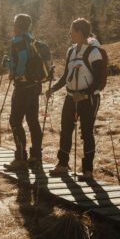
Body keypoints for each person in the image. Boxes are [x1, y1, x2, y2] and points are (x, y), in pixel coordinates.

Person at [46, 18, 105, 179]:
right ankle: (62, 164)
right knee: (65, 131)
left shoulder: (94, 52)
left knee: (86, 133)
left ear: (80, 32)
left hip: (89, 99)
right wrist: (53, 89)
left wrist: (85, 93)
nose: (69, 33)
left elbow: (99, 80)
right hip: (70, 97)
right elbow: (66, 75)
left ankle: (87, 171)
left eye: (71, 31)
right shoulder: (71, 51)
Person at [5, 13, 45, 171]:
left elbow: (22, 58)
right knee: (33, 122)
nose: (12, 27)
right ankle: (36, 157)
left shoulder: (18, 40)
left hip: (22, 87)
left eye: (13, 24)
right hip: (34, 87)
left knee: (15, 121)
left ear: (17, 25)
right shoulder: (32, 40)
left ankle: (20, 158)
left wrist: (17, 73)